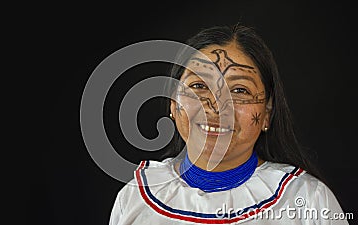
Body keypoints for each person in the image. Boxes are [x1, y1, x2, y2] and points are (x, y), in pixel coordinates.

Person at [109, 24, 348, 224]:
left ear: (267, 113)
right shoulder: (133, 200)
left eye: (239, 90)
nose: (216, 106)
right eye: (200, 85)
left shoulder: (308, 201)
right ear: (173, 103)